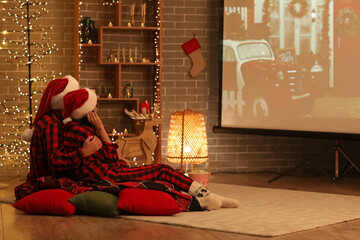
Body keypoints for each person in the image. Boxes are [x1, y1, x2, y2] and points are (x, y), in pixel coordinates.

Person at [61, 88, 240, 210]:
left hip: (109, 171)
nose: (98, 109)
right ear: (87, 111)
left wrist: (114, 158)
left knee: (163, 176)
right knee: (162, 170)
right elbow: (111, 155)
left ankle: (203, 196)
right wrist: (100, 127)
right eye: (95, 107)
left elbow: (109, 157)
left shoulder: (79, 129)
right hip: (106, 176)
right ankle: (203, 197)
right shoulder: (81, 132)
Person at [14, 76, 102, 200]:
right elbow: (54, 161)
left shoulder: (59, 120)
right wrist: (83, 152)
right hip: (48, 181)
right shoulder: (52, 123)